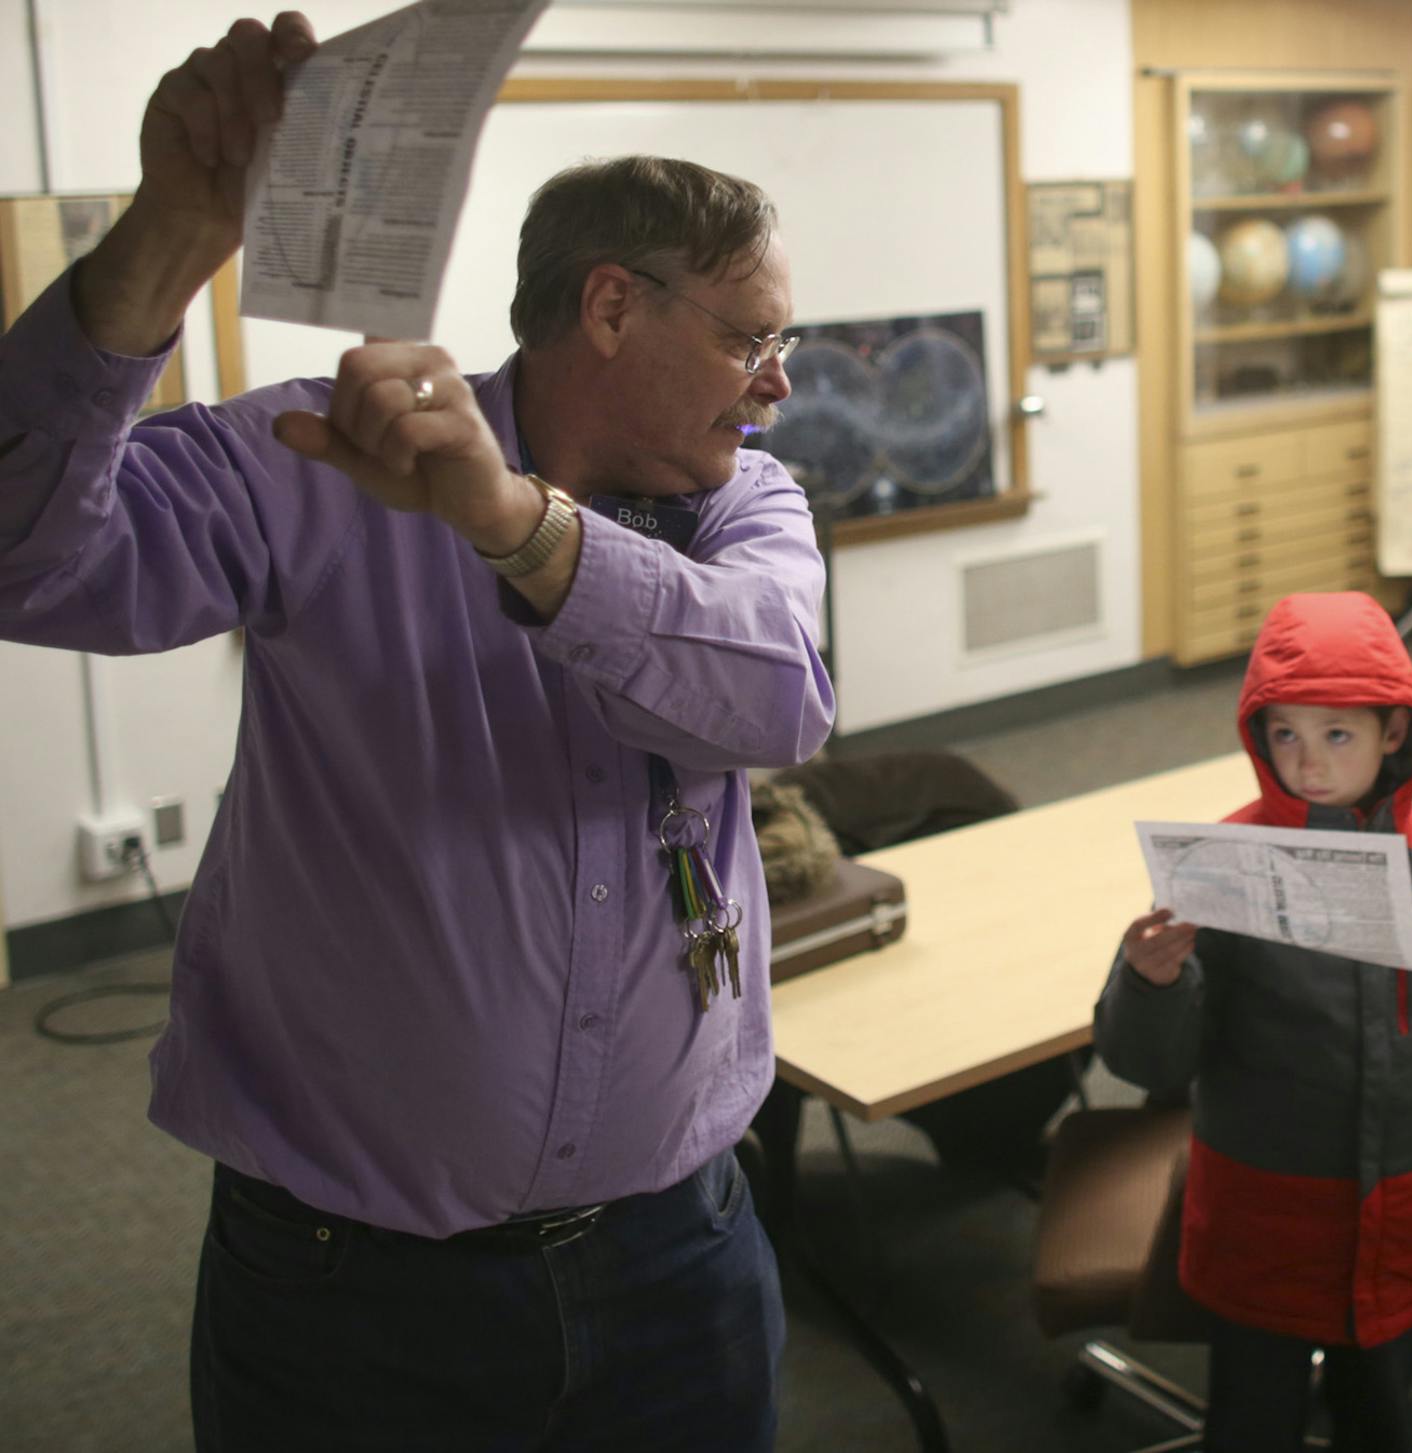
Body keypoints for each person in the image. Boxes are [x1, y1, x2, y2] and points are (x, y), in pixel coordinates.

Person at [0, 13, 833, 1450]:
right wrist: (167, 240)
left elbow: (776, 699)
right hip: (350, 1300)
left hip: (675, 1258)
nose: (779, 380)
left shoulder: (744, 504)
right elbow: (26, 559)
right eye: (752, 338)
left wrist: (510, 526)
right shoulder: (325, 457)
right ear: (615, 307)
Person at [1094, 591, 1412, 1453]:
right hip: (1262, 1221)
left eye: (1339, 734)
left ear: (1394, 734)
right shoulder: (1223, 862)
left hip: (1404, 1216)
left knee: (1379, 1420)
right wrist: (1151, 981)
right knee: (1251, 1424)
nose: (1310, 763)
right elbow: (1155, 1065)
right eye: (1286, 734)